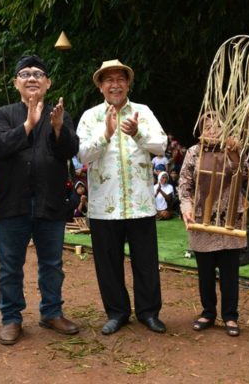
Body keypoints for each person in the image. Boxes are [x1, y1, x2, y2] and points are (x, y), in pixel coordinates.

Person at [0, 55, 80, 345]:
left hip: (50, 202)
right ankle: (11, 318)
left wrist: (56, 128)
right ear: (16, 82)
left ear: (48, 83)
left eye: (38, 74)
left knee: (52, 264)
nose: (31, 78)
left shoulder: (60, 114)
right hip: (12, 202)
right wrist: (28, 124)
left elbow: (69, 150)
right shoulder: (3, 114)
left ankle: (52, 312)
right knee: (10, 266)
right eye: (25, 73)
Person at [77, 59, 167, 335]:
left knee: (146, 261)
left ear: (128, 83)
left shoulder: (143, 112)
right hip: (104, 206)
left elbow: (161, 145)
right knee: (108, 263)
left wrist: (137, 133)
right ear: (101, 86)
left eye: (120, 79)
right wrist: (106, 134)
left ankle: (149, 312)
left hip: (140, 203)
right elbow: (81, 155)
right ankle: (117, 313)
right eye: (109, 80)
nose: (115, 84)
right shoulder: (90, 117)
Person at [178, 112, 246, 337]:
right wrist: (186, 209)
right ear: (200, 130)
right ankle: (208, 312)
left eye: (217, 126)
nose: (212, 130)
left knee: (229, 274)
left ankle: (230, 316)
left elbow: (243, 175)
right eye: (207, 127)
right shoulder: (193, 153)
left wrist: (235, 153)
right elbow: (184, 184)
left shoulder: (233, 150)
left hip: (228, 221)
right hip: (201, 221)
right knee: (205, 272)